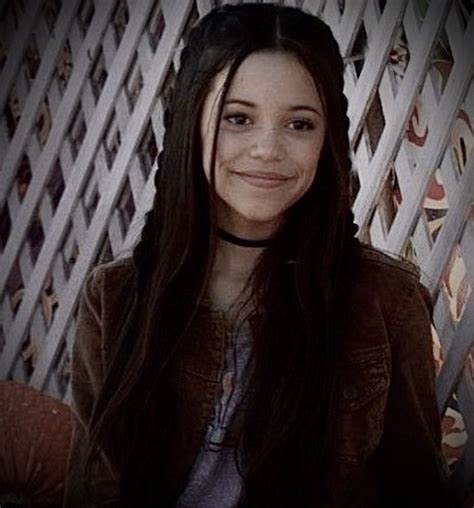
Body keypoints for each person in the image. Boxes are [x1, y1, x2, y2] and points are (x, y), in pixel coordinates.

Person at [63, 3, 451, 507]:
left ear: (326, 140)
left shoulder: (385, 300)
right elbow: (93, 492)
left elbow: (416, 490)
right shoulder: (114, 297)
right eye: (238, 118)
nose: (268, 148)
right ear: (191, 125)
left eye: (300, 124)